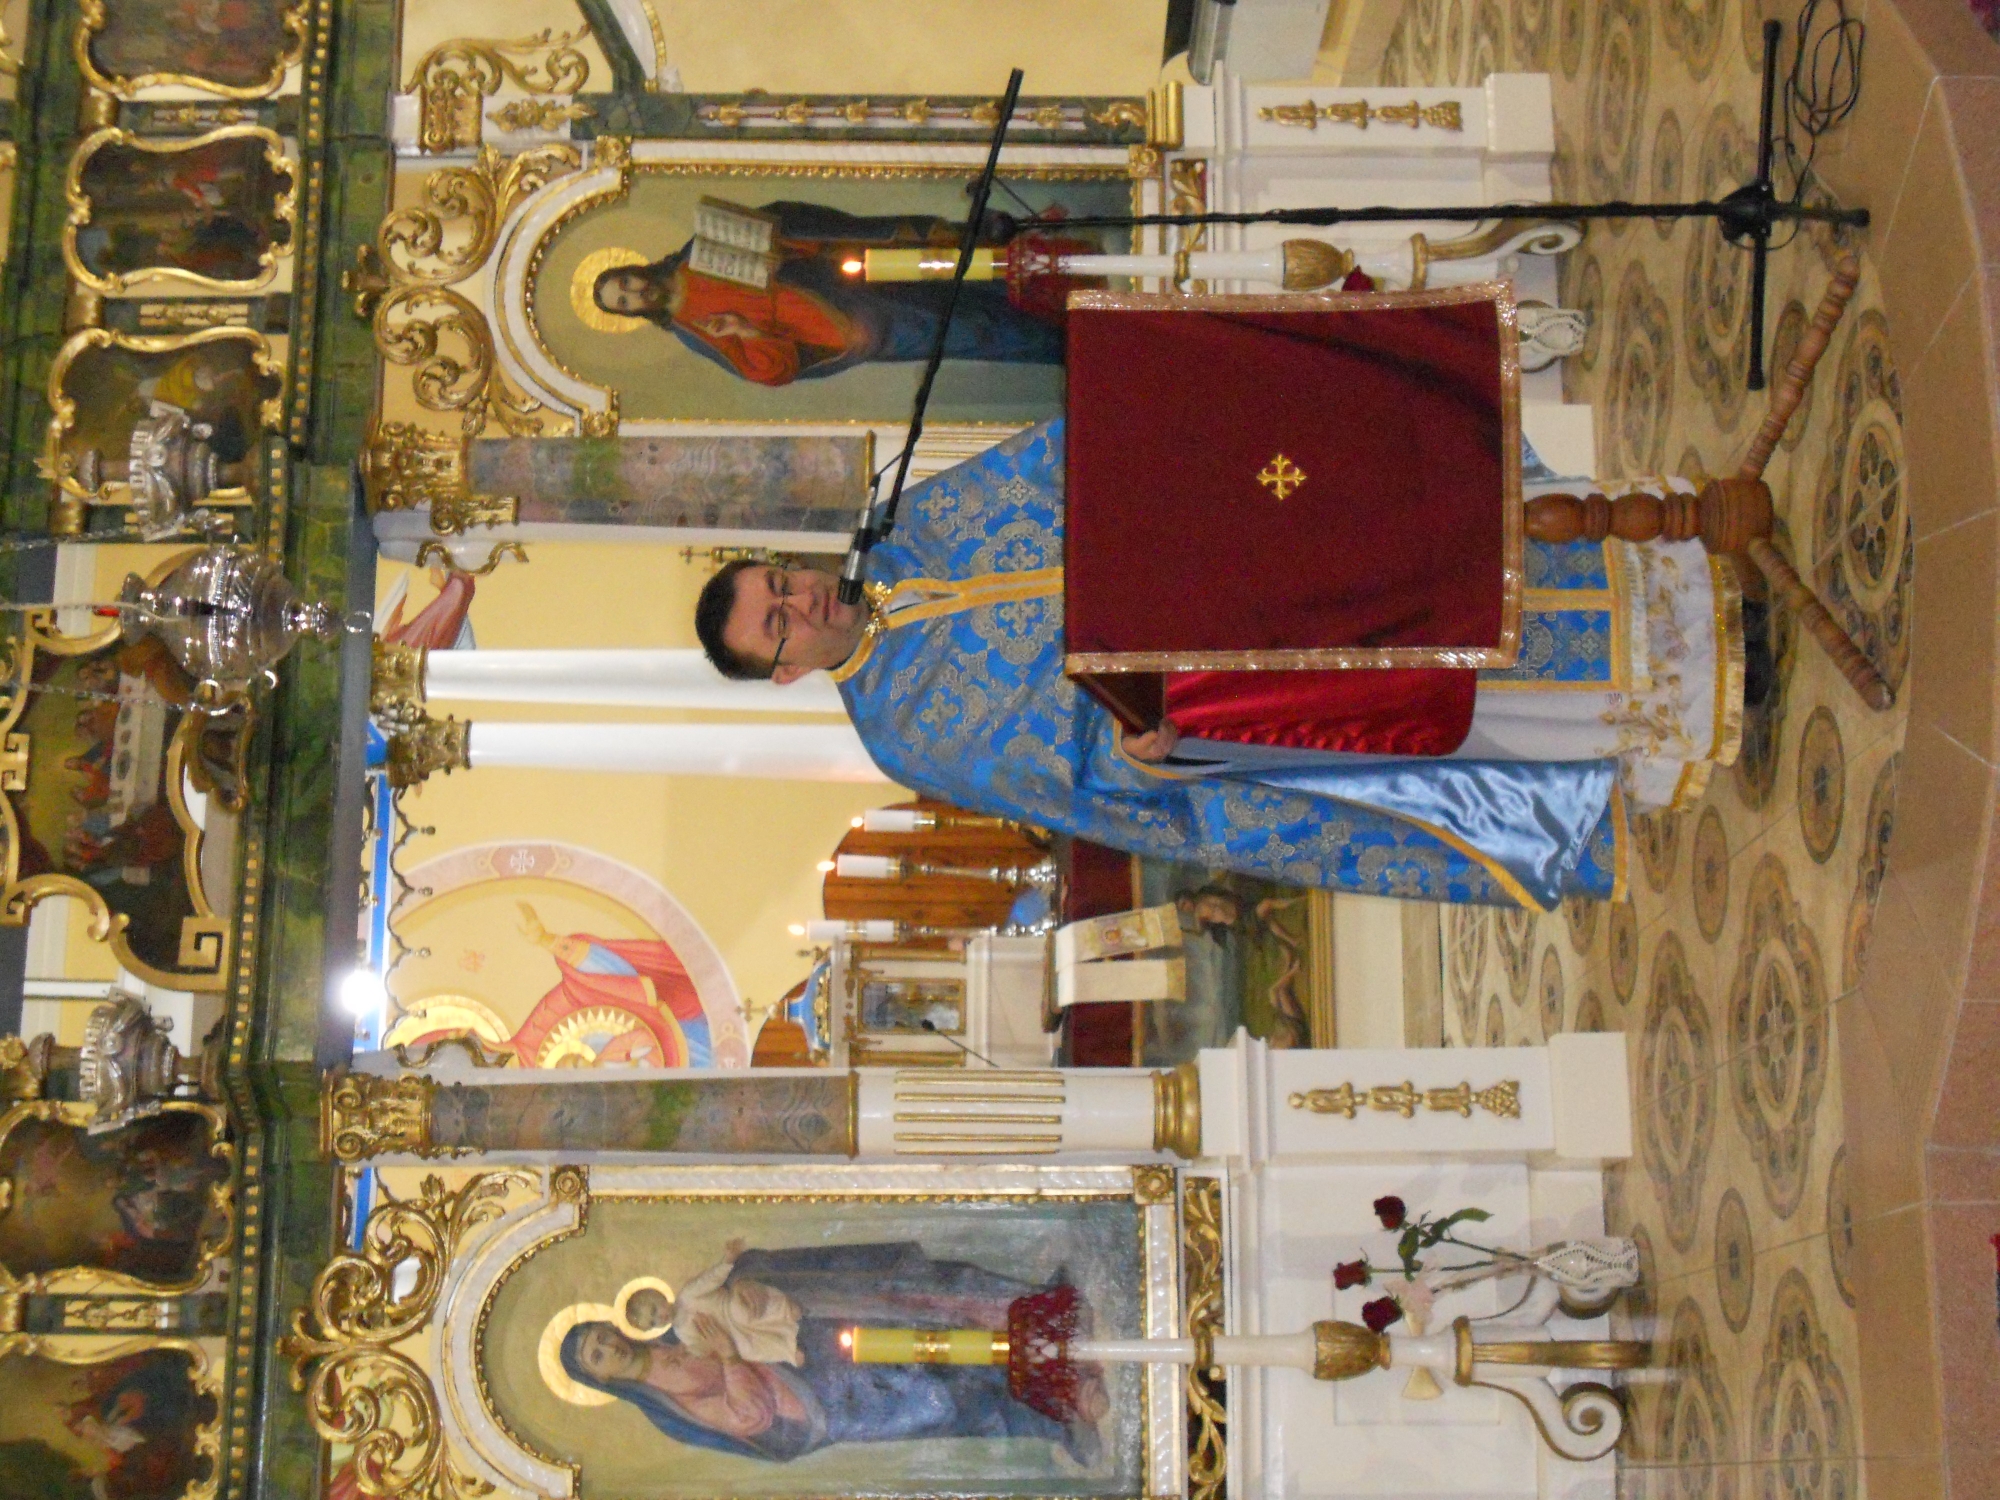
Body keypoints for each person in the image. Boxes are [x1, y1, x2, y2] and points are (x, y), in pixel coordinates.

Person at [694, 420, 1768, 909]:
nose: (802, 601)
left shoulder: (906, 524)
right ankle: (1682, 699)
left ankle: (1683, 582)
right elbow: (1066, 785)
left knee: (1456, 567)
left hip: (1252, 556)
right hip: (1235, 689)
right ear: (784, 672)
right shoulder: (904, 734)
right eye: (778, 624)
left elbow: (1071, 452)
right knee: (1446, 694)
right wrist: (1141, 754)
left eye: (782, 582)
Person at [592, 200, 1064, 386]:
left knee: (964, 273)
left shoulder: (697, 250)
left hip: (845, 273)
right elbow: (771, 370)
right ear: (632, 314)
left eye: (626, 283)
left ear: (635, 270)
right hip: (848, 327)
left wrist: (781, 246)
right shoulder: (693, 332)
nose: (635, 294)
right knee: (969, 330)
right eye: (624, 302)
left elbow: (786, 219)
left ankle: (1073, 286)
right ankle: (1073, 340)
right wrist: (746, 330)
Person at [619, 1242, 805, 1367]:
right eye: (652, 1322)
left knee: (743, 1313)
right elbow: (702, 1348)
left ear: (659, 1296)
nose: (658, 1318)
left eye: (654, 1310)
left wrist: (727, 1261)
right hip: (731, 1335)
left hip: (728, 1307)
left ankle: (785, 1311)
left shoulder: (688, 1295)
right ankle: (788, 1351)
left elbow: (710, 1280)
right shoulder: (681, 1332)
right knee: (747, 1349)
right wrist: (688, 1351)